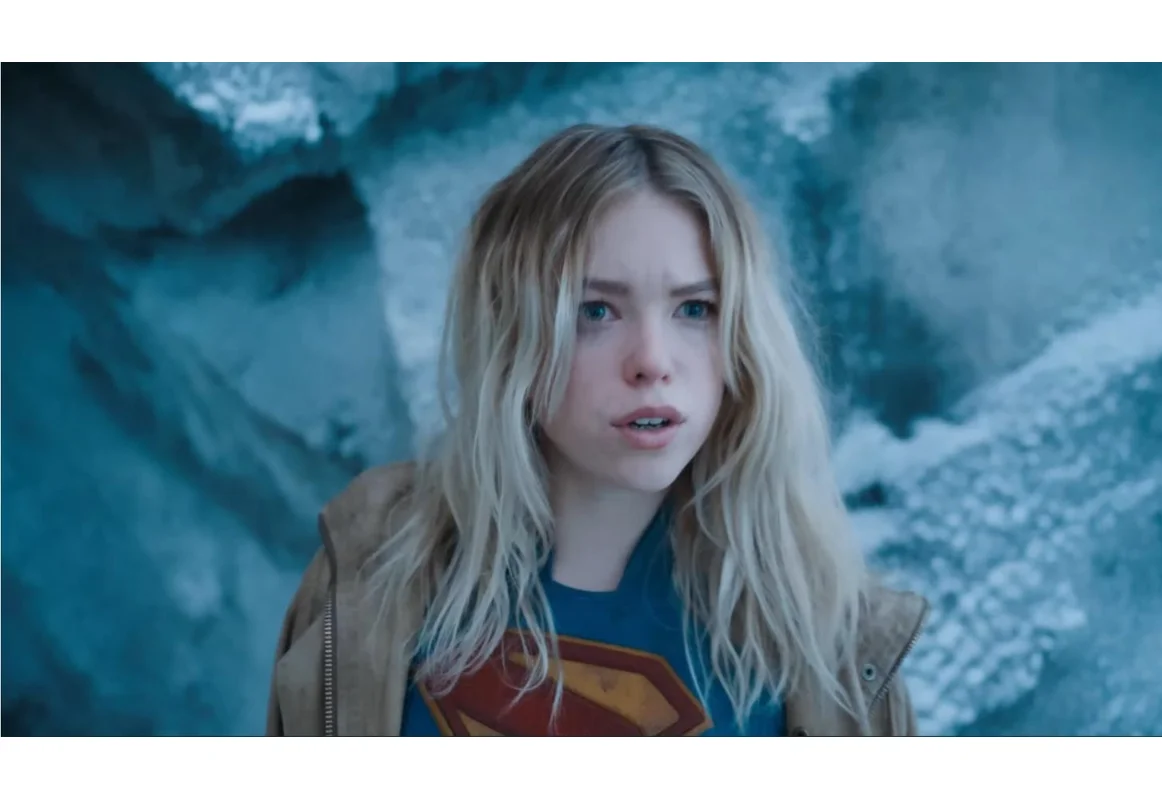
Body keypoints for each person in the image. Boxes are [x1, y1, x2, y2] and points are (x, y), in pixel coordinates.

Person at [265, 123, 928, 737]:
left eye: (695, 309)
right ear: (511, 333)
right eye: (596, 311)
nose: (652, 362)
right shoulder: (369, 575)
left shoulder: (830, 638)